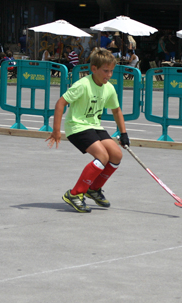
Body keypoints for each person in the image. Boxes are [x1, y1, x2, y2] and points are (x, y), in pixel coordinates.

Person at [46, 48, 130, 213]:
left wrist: (124, 133)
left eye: (111, 71)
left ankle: (93, 189)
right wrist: (56, 130)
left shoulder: (109, 88)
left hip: (94, 126)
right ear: (94, 69)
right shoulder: (82, 85)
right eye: (105, 71)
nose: (109, 74)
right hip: (77, 126)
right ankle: (75, 194)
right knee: (102, 156)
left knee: (116, 155)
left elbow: (116, 110)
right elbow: (60, 103)